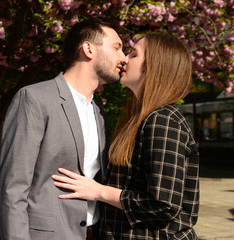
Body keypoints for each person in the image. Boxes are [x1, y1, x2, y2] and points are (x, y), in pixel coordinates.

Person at [52, 32, 200, 239]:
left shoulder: (164, 120)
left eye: (133, 54)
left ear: (154, 67)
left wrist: (99, 191)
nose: (124, 59)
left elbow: (163, 204)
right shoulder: (140, 119)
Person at [0, 18, 127, 240]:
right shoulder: (34, 99)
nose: (123, 58)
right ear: (88, 48)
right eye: (117, 47)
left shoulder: (99, 113)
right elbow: (13, 189)